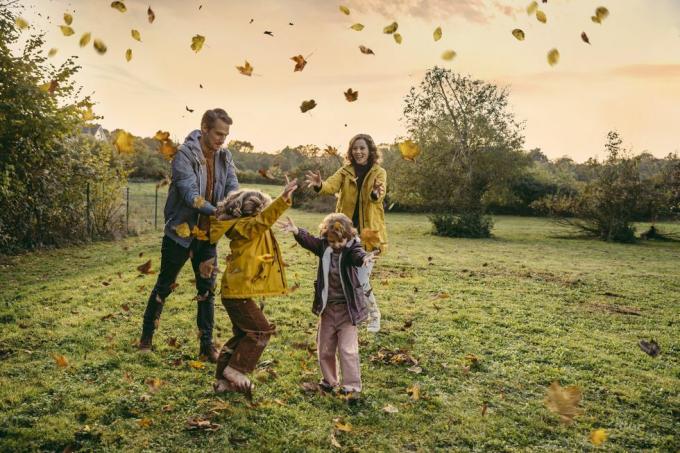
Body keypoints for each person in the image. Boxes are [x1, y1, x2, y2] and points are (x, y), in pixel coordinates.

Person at [138, 108, 239, 362]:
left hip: (207, 237)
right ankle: (146, 339)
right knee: (165, 284)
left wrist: (237, 205)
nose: (221, 140)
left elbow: (232, 188)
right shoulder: (184, 155)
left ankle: (206, 347)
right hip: (179, 234)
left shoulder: (225, 157)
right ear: (204, 128)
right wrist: (219, 211)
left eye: (225, 135)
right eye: (218, 134)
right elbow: (190, 195)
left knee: (207, 291)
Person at [211, 178, 298, 398]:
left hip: (235, 291)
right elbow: (263, 221)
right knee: (260, 331)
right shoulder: (248, 227)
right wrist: (283, 199)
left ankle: (222, 379)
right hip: (238, 292)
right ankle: (236, 370)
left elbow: (263, 222)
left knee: (242, 334)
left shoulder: (243, 227)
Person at [277, 213, 375, 398]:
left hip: (347, 310)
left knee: (348, 350)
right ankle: (329, 381)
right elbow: (310, 242)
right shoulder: (323, 247)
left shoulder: (351, 249)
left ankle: (352, 388)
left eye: (340, 241)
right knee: (325, 348)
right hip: (328, 309)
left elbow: (357, 254)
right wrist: (297, 231)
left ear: (348, 237)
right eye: (331, 241)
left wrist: (364, 259)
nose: (336, 245)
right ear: (326, 238)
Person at [304, 134, 387, 332]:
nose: (358, 152)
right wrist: (319, 184)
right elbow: (330, 186)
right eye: (355, 148)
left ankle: (374, 314)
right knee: (349, 278)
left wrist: (375, 192)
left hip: (369, 235)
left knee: (362, 279)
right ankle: (355, 314)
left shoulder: (379, 172)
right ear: (350, 151)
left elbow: (378, 196)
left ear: (370, 151)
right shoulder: (345, 171)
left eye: (362, 148)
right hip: (345, 234)